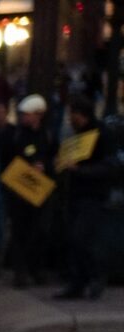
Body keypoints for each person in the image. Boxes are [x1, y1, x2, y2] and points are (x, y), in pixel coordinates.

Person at [54, 97, 119, 300]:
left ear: (80, 114)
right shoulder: (77, 134)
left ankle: (95, 276)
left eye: (72, 114)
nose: (69, 119)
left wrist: (80, 170)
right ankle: (78, 282)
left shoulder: (102, 134)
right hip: (76, 193)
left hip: (93, 195)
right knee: (74, 239)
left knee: (81, 237)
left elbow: (108, 167)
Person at [3, 95, 57, 289]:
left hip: (40, 190)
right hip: (21, 191)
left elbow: (55, 159)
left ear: (38, 115)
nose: (23, 118)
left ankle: (36, 267)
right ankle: (21, 271)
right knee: (21, 231)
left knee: (39, 231)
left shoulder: (49, 135)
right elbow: (9, 161)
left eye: (27, 114)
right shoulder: (17, 136)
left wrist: (46, 167)